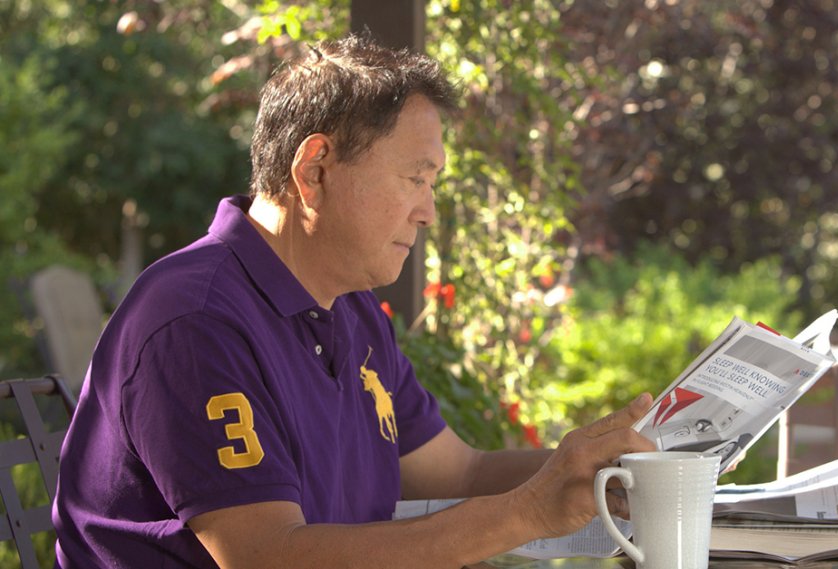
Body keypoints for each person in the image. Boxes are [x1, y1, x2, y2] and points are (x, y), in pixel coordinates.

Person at [52, 33, 656, 568]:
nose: (428, 212)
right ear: (314, 170)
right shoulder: (196, 319)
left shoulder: (351, 308)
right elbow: (266, 557)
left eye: (433, 184)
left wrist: (593, 467)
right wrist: (526, 512)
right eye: (415, 178)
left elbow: (461, 472)